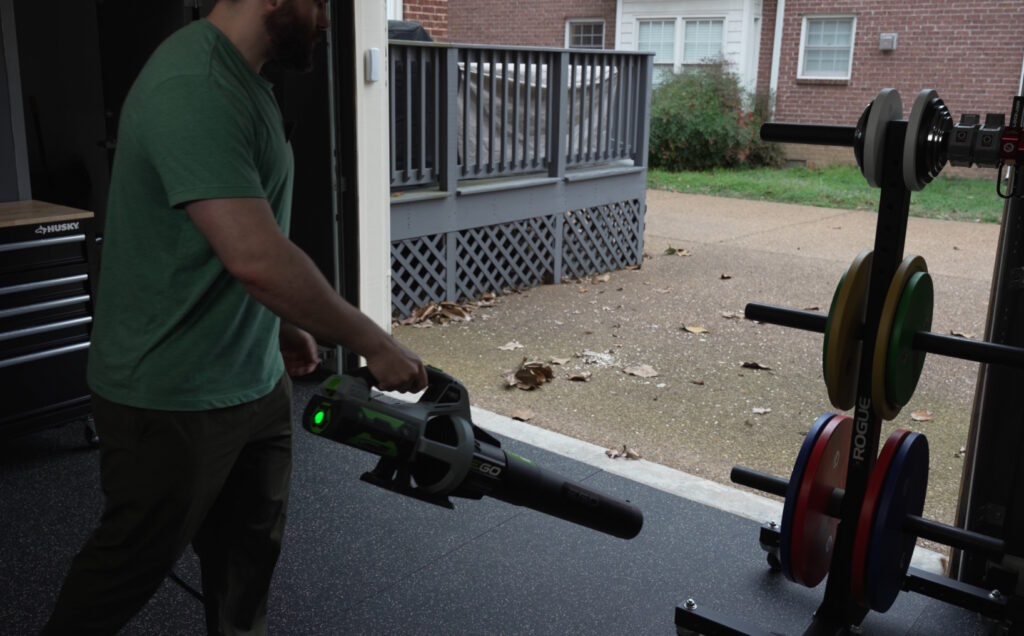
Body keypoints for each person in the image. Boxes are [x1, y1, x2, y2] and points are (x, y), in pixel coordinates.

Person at [43, 0, 428, 633]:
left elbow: (228, 238)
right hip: (172, 393)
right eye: (320, 4)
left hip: (252, 385)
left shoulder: (248, 83)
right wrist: (371, 342)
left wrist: (279, 321)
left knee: (246, 563)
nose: (329, 20)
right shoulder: (193, 86)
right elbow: (255, 257)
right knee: (126, 569)